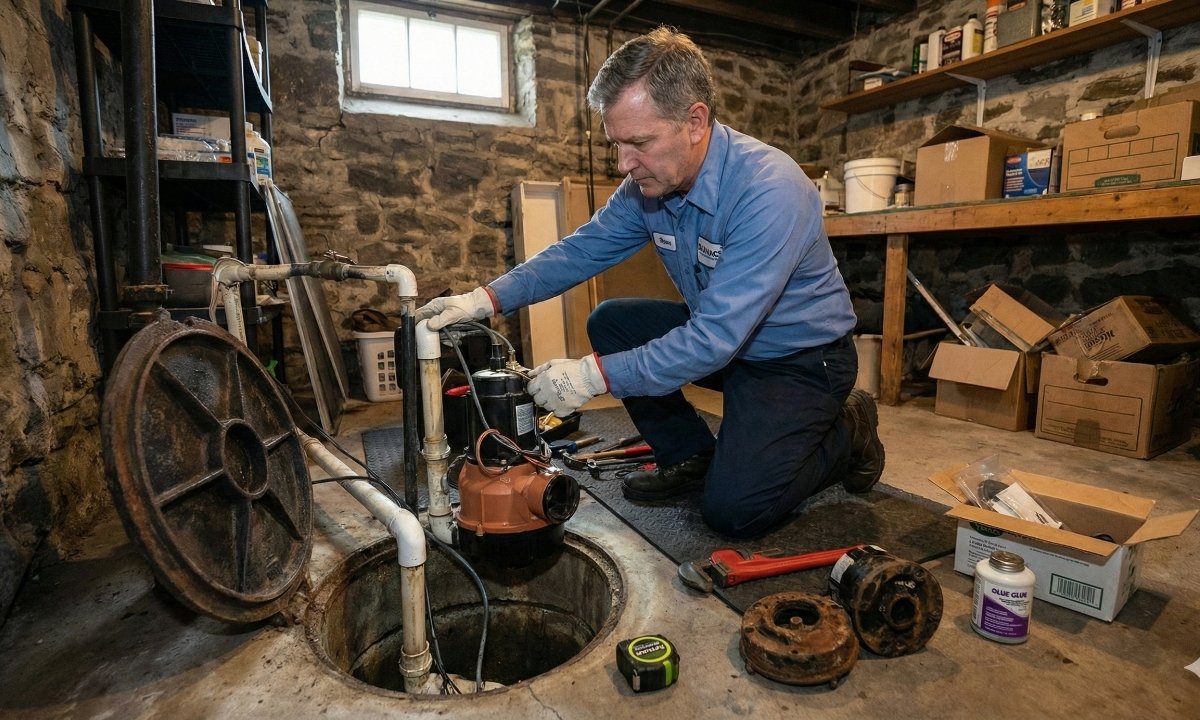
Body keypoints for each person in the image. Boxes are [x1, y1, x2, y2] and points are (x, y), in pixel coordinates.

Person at [416, 27, 883, 539]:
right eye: (617, 143)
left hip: (798, 360)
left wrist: (593, 378)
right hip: (731, 342)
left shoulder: (770, 190)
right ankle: (692, 455)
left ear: (695, 121)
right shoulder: (648, 187)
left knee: (735, 511)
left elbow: (712, 340)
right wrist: (483, 299)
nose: (623, 163)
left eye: (639, 143)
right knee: (614, 322)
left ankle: (848, 429)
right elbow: (580, 250)